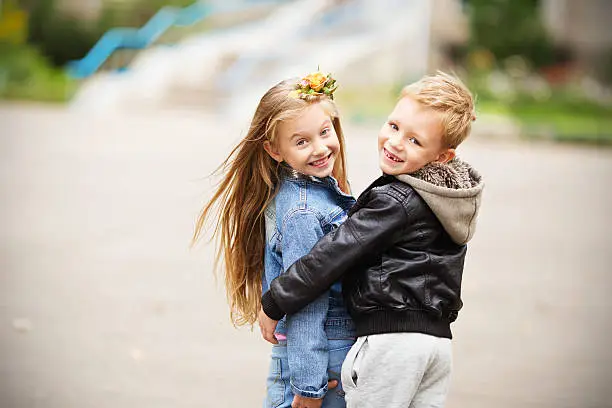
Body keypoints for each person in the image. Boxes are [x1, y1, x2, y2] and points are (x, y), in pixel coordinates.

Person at [259, 72, 485, 408]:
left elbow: (333, 254)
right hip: (436, 346)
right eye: (394, 127)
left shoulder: (397, 200)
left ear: (441, 156)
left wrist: (275, 300)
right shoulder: (445, 198)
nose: (396, 142)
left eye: (415, 140)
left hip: (392, 342)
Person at [193, 71, 356, 408]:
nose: (321, 148)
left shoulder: (304, 191)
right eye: (302, 141)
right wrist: (310, 389)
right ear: (274, 150)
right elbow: (306, 301)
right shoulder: (304, 213)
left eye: (325, 132)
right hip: (322, 354)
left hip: (320, 350)